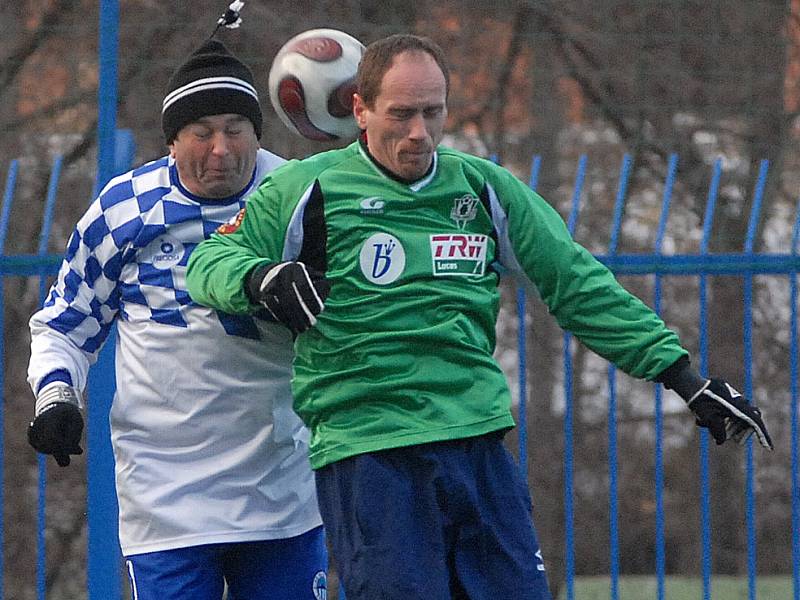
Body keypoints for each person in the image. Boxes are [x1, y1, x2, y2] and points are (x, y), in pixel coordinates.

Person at [185, 34, 773, 600]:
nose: (420, 133)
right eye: (402, 114)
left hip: (478, 444)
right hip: (369, 454)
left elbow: (575, 281)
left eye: (433, 113)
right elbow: (209, 261)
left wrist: (682, 376)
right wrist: (260, 279)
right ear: (359, 110)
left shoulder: (481, 188)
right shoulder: (306, 189)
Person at [26, 38, 328, 600]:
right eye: (202, 132)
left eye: (236, 128)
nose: (220, 150)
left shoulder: (300, 197)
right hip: (167, 499)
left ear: (258, 132)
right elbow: (67, 322)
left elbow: (348, 319)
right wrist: (57, 398)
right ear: (171, 141)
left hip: (283, 492)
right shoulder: (124, 210)